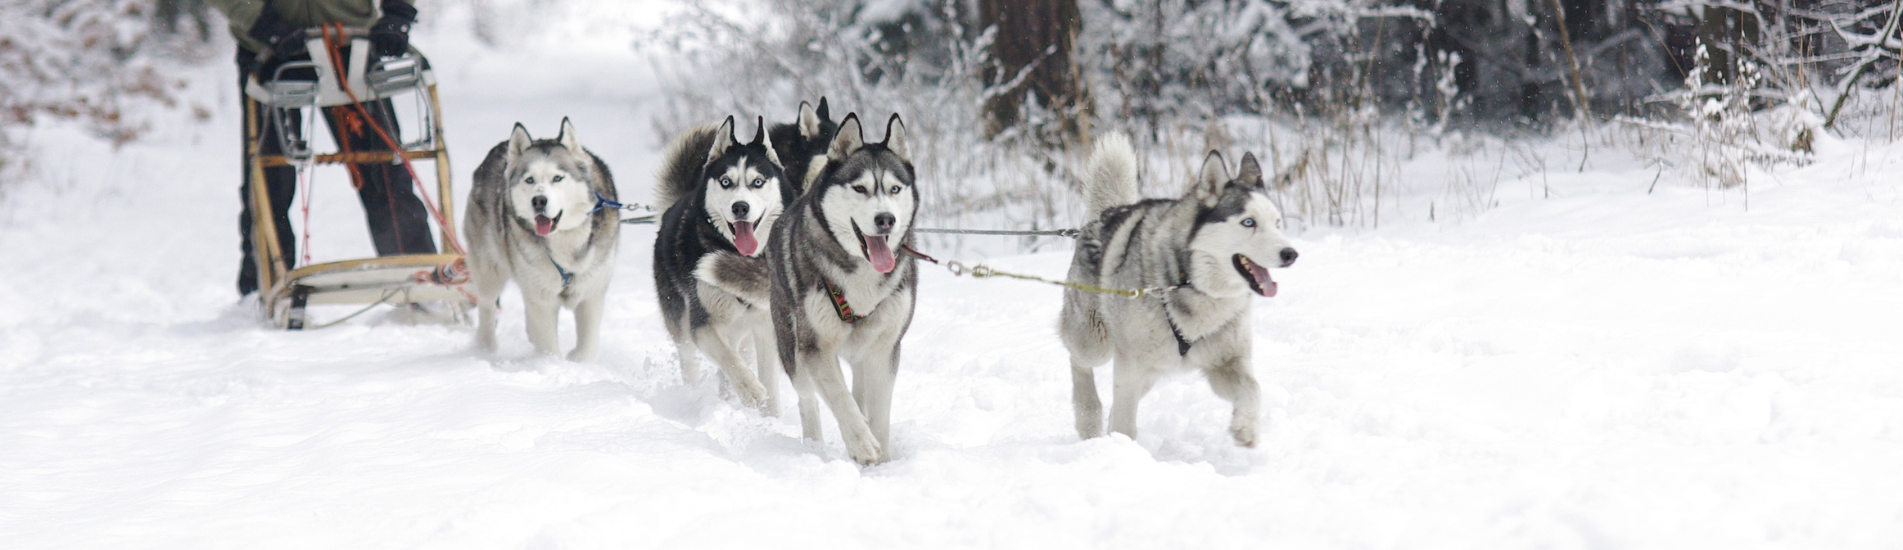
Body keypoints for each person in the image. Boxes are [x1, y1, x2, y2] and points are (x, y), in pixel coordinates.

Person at [209, 0, 437, 296]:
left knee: (383, 170)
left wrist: (397, 13)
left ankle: (420, 280)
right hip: (268, 46)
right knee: (269, 178)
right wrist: (262, 22)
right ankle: (263, 288)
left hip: (350, 41)